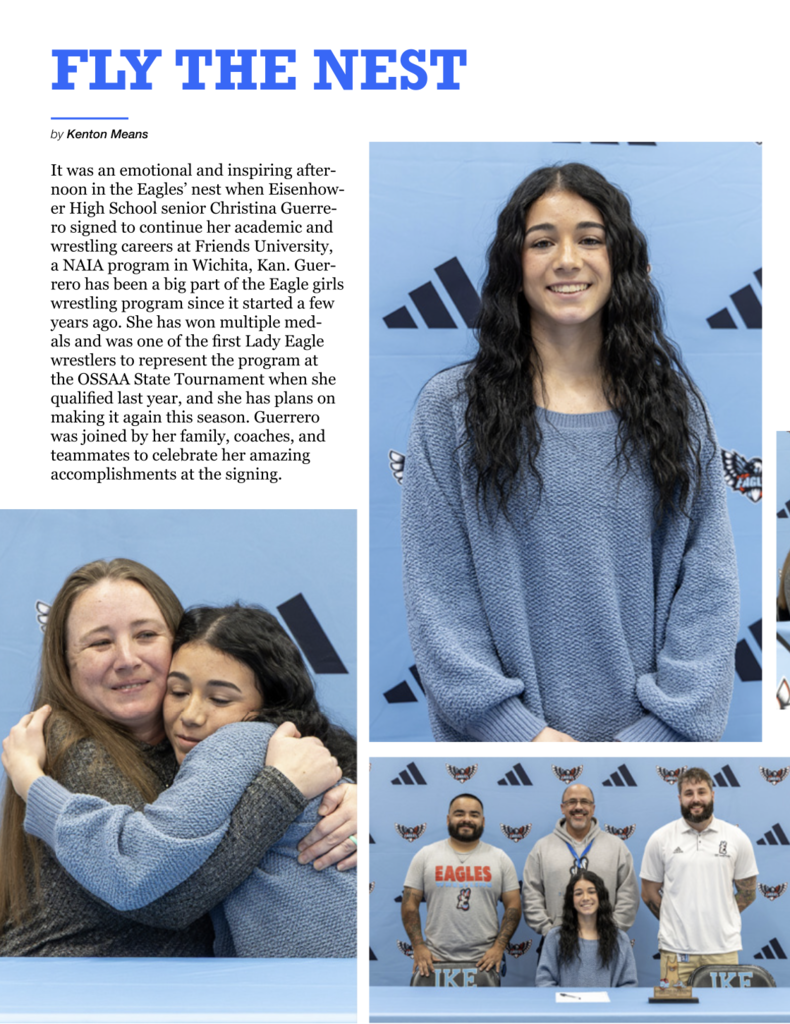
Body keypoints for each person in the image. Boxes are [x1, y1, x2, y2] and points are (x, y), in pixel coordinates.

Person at [401, 162, 739, 743]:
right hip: (500, 765)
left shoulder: (674, 407)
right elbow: (439, 597)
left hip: (653, 764)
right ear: (515, 264)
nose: (567, 259)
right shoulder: (449, 409)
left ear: (621, 260)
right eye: (542, 242)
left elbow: (708, 588)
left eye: (590, 238)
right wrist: (519, 734)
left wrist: (648, 741)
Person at [0, 558, 357, 956]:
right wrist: (280, 789)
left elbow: (324, 754)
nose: (126, 658)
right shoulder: (69, 744)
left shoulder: (199, 740)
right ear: (65, 661)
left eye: (146, 635)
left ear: (179, 643)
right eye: (100, 642)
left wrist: (354, 798)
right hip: (68, 989)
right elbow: (163, 897)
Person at [640, 767, 758, 985]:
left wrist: (721, 914)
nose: (696, 799)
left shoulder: (736, 837)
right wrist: (677, 920)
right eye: (688, 793)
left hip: (723, 949)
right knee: (674, 1015)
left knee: (723, 1016)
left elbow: (748, 893)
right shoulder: (660, 838)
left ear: (712, 795)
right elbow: (648, 893)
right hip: (675, 951)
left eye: (701, 792)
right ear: (679, 798)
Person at [400, 794, 521, 986]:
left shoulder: (500, 858)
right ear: (448, 819)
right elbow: (409, 903)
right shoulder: (426, 855)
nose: (466, 819)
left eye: (474, 815)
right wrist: (418, 946)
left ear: (482, 821)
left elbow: (514, 905)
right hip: (434, 960)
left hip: (484, 962)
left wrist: (499, 947)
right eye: (459, 813)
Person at [522, 784, 638, 942]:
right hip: (555, 942)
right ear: (563, 808)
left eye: (585, 802)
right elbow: (531, 895)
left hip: (606, 941)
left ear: (593, 808)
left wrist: (612, 930)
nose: (578, 807)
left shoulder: (616, 846)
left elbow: (628, 894)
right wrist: (549, 932)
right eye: (572, 802)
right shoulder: (542, 848)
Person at [535, 870, 638, 988]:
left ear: (600, 897)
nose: (585, 898)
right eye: (578, 893)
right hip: (567, 1006)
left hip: (608, 1006)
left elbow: (629, 984)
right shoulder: (555, 937)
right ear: (571, 900)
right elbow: (544, 982)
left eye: (591, 892)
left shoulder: (620, 939)